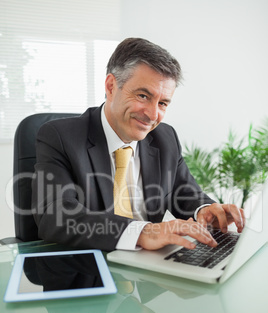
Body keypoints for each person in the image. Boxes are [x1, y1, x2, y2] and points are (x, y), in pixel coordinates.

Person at [32, 37, 245, 252]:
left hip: (149, 270)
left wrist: (205, 210)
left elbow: (185, 192)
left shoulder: (165, 138)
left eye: (162, 103)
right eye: (143, 96)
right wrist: (142, 232)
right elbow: (55, 214)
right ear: (111, 86)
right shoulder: (60, 137)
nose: (153, 115)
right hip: (88, 269)